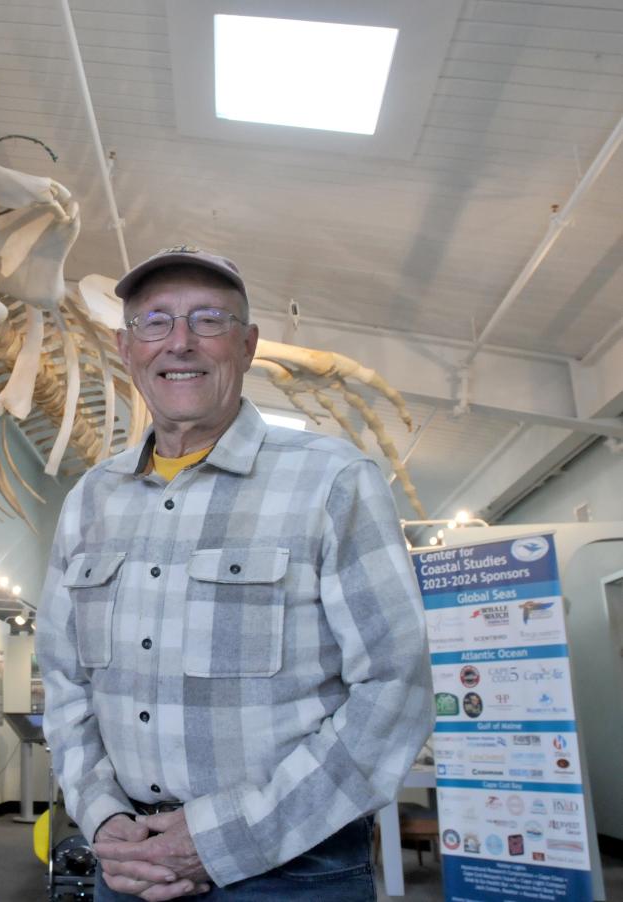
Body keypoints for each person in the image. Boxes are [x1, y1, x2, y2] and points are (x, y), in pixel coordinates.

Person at [36, 247, 433, 901]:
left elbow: (397, 690)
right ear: (126, 347)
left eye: (209, 320)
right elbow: (65, 684)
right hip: (128, 864)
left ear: (246, 345)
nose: (180, 343)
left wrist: (224, 839)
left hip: (292, 869)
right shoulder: (89, 501)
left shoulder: (333, 481)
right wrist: (102, 816)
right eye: (155, 322)